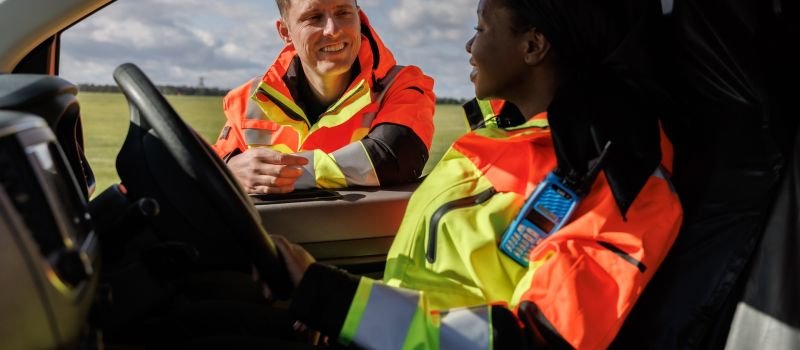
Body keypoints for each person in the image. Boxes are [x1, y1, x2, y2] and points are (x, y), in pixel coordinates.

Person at [212, 0, 435, 194]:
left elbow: (396, 157)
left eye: (343, 13)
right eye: (314, 17)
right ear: (285, 32)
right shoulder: (248, 100)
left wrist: (287, 174)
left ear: (359, 16)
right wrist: (229, 170)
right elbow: (209, 169)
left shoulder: (403, 85)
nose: (332, 29)